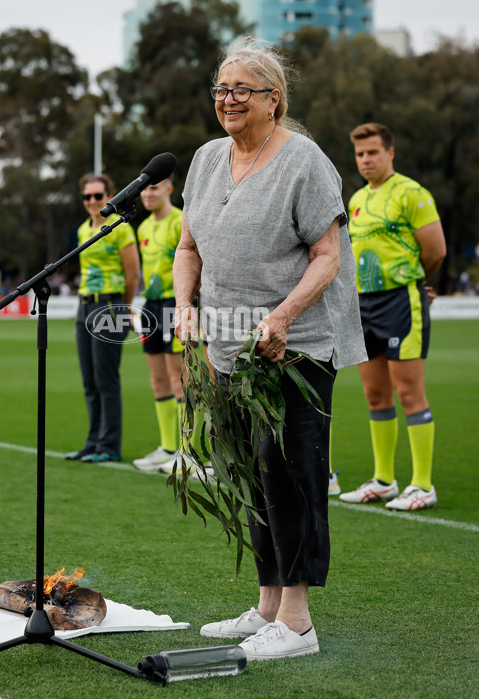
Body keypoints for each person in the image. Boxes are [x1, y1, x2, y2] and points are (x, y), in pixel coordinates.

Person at [172, 37, 366, 661]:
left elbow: (327, 256)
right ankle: (266, 606)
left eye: (240, 90)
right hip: (227, 348)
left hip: (295, 348)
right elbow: (187, 249)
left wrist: (282, 317)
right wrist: (184, 308)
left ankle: (298, 623)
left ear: (273, 100)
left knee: (292, 477)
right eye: (221, 90)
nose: (227, 100)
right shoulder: (206, 160)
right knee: (252, 475)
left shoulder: (304, 161)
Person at [339, 123, 446, 510]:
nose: (365, 160)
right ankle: (384, 480)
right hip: (362, 305)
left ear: (390, 153)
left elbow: (435, 250)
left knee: (408, 392)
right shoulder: (355, 199)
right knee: (375, 393)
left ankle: (422, 484)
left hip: (401, 301)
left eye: (372, 152)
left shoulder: (412, 193)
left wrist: (413, 283)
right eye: (360, 154)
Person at [65, 173, 140, 463]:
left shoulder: (120, 228)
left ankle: (109, 445)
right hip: (83, 307)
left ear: (109, 196)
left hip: (110, 306)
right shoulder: (84, 230)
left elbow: (132, 274)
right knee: (89, 381)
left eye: (98, 195)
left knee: (106, 379)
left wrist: (125, 307)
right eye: (87, 197)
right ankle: (92, 442)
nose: (93, 201)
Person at [132, 177, 185, 471]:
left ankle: (187, 450)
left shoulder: (180, 221)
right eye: (145, 188)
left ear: (169, 189)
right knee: (157, 379)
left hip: (173, 304)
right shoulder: (142, 228)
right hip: (149, 307)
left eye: (154, 187)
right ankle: (167, 447)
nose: (147, 193)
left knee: (179, 379)